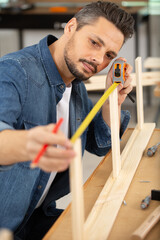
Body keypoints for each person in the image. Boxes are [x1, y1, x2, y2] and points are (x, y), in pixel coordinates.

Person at [0, 1, 134, 239]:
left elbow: (100, 145)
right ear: (71, 27)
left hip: (36, 218)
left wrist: (111, 99)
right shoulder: (14, 71)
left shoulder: (75, 85)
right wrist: (27, 144)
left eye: (109, 55)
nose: (98, 59)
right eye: (94, 42)